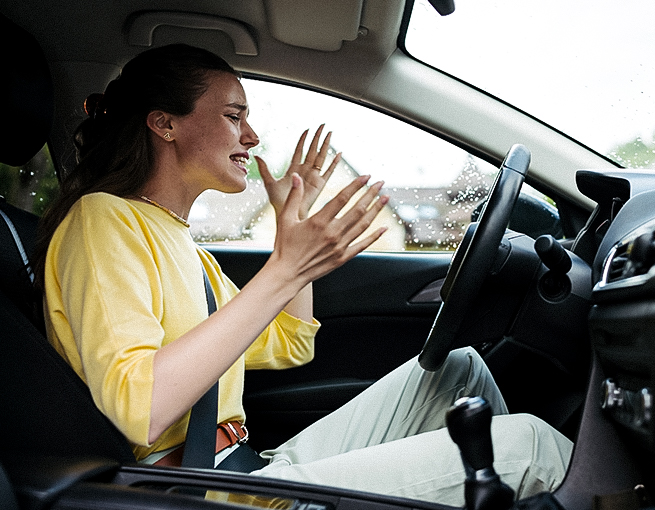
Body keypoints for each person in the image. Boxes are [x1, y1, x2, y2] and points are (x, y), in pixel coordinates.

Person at [35, 43, 572, 506]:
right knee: (530, 447)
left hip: (241, 465)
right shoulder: (102, 221)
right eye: (232, 116)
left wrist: (287, 238)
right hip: (199, 491)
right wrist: (287, 267)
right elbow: (139, 409)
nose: (252, 136)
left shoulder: (182, 244)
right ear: (165, 123)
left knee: (460, 372)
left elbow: (290, 344)